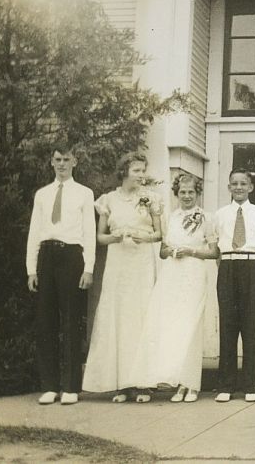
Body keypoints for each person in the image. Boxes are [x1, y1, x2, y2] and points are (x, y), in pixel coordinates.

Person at [130, 174, 219, 403]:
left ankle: (192, 385)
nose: (187, 196)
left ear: (197, 193)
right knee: (174, 329)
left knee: (191, 327)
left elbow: (213, 252)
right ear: (177, 194)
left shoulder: (206, 218)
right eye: (182, 192)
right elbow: (163, 251)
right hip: (172, 276)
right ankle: (179, 384)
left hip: (194, 274)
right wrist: (171, 252)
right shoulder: (172, 218)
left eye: (191, 192)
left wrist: (190, 251)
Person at [82, 152, 163, 403]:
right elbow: (101, 237)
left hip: (141, 262)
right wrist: (118, 237)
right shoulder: (108, 200)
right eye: (137, 170)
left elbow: (160, 234)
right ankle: (120, 383)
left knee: (141, 316)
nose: (141, 175)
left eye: (143, 171)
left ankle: (142, 383)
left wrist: (144, 236)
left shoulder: (151, 199)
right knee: (117, 318)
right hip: (118, 262)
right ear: (124, 171)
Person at [26, 145, 96, 405]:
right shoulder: (42, 194)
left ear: (75, 162)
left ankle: (70, 387)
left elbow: (89, 232)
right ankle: (49, 386)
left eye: (67, 159)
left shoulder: (84, 194)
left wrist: (88, 267)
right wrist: (31, 269)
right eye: (57, 159)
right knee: (46, 322)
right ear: (51, 162)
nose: (62, 164)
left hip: (71, 256)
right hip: (47, 254)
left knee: (70, 321)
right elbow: (34, 232)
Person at [213, 168, 255, 403]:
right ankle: (226, 385)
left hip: (250, 266)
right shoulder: (220, 214)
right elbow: (217, 243)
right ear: (229, 187)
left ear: (251, 187)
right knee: (228, 326)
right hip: (228, 266)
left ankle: (250, 386)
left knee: (249, 326)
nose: (238, 187)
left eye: (243, 184)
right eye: (234, 184)